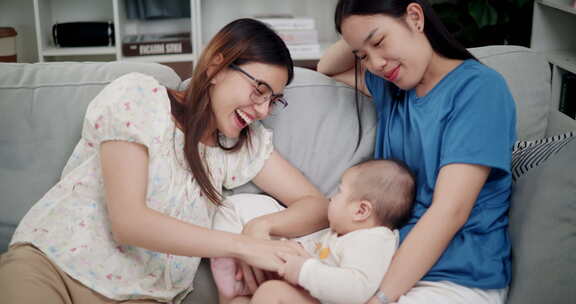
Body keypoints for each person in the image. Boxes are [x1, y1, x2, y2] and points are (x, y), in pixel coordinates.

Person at [0, 18, 329, 304]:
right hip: (53, 265)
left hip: (143, 295)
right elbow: (129, 222)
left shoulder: (240, 146)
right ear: (216, 66)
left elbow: (315, 204)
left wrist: (262, 227)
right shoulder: (141, 98)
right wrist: (243, 246)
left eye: (273, 100)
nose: (262, 110)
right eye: (259, 90)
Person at [316, 1, 517, 304]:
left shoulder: (480, 90)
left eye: (380, 41)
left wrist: (382, 298)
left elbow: (449, 212)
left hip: (455, 277)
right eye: (363, 56)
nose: (376, 64)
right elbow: (326, 67)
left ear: (415, 17)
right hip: (380, 265)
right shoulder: (392, 87)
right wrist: (359, 33)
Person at [211, 159, 415, 304]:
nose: (332, 199)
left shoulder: (373, 240)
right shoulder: (343, 233)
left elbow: (357, 288)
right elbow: (320, 257)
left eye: (340, 192)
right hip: (308, 293)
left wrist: (303, 270)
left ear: (361, 211)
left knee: (271, 292)